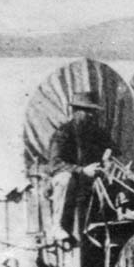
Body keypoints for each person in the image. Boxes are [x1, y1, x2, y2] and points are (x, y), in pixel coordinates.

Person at [48, 91, 113, 244]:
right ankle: (58, 226)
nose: (91, 115)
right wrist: (82, 170)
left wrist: (108, 153)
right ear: (76, 111)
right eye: (87, 111)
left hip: (92, 179)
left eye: (93, 112)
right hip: (72, 178)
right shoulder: (63, 133)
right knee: (65, 179)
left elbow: (112, 146)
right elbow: (55, 164)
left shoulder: (96, 131)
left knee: (119, 173)